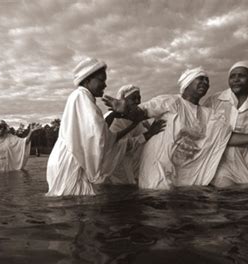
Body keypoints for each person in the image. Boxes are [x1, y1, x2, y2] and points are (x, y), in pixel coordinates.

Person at [103, 67, 248, 190]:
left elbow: (227, 138)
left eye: (206, 80)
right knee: (156, 211)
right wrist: (126, 109)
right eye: (199, 79)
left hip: (183, 170)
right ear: (186, 84)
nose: (204, 83)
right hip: (157, 167)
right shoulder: (170, 101)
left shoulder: (209, 115)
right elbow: (143, 112)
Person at [46, 57, 165, 196]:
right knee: (69, 208)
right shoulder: (81, 96)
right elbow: (100, 138)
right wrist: (121, 115)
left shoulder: (85, 100)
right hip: (70, 162)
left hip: (73, 162)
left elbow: (105, 138)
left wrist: (132, 123)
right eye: (101, 80)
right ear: (87, 80)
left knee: (76, 206)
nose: (105, 85)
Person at [104, 84, 164, 184]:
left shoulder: (138, 120)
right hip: (112, 172)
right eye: (133, 98)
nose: (138, 101)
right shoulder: (113, 120)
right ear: (122, 101)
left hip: (128, 171)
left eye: (139, 98)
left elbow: (144, 139)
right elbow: (117, 146)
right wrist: (148, 134)